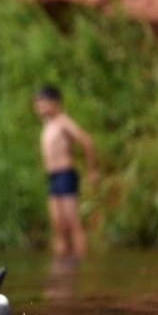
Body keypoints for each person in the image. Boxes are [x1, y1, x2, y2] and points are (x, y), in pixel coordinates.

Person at [33, 85, 97, 259]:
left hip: (65, 175)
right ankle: (61, 267)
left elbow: (87, 141)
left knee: (73, 223)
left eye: (43, 101)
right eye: (37, 101)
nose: (39, 105)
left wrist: (91, 171)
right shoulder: (47, 125)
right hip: (53, 177)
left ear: (55, 103)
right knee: (58, 227)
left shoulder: (63, 122)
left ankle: (81, 259)